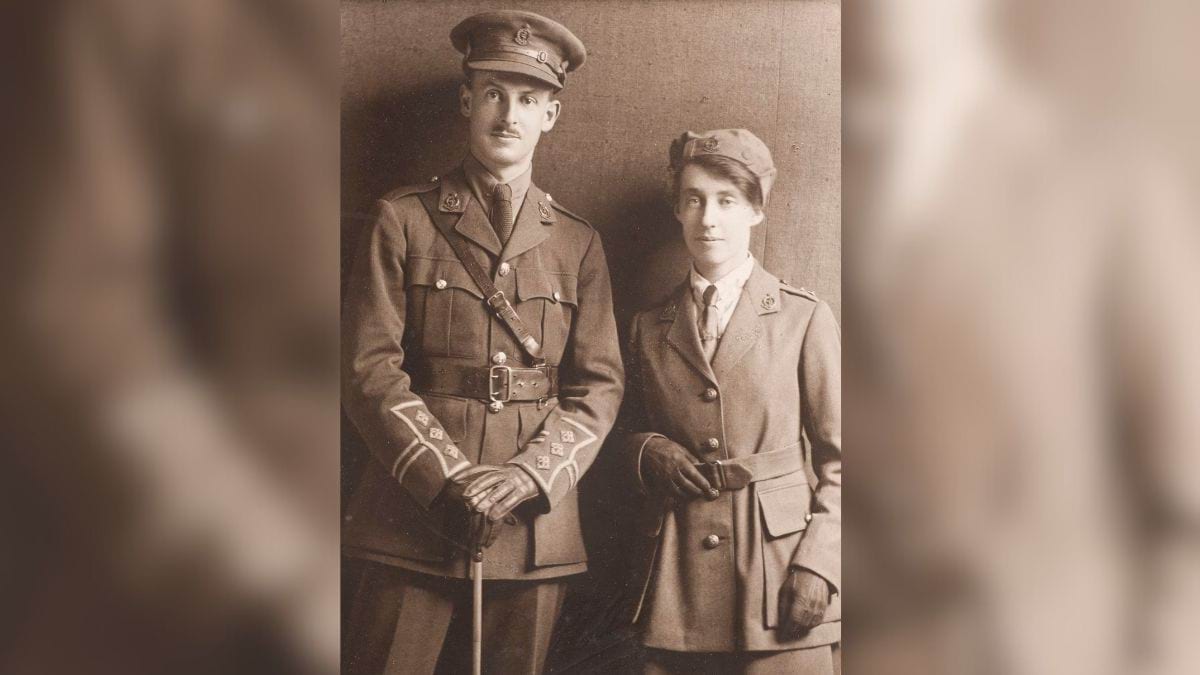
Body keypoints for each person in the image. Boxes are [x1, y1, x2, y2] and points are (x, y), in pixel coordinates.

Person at [341, 10, 624, 675]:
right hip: (412, 513)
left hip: (530, 526)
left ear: (550, 115)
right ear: (467, 100)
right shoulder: (402, 219)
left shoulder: (577, 242)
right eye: (495, 92)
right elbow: (368, 370)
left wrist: (527, 475)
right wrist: (452, 478)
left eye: (528, 99)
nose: (509, 113)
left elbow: (599, 387)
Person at [620, 129, 841, 674]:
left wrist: (820, 565)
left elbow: (846, 460)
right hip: (677, 585)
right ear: (677, 209)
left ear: (755, 211)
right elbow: (621, 429)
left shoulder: (802, 317)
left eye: (726, 201)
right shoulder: (648, 327)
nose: (708, 218)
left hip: (779, 578)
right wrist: (647, 450)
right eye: (693, 199)